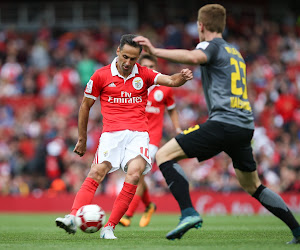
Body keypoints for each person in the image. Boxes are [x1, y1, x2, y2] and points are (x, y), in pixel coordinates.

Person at [133, 4, 300, 244]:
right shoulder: (236, 52)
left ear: (201, 26)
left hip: (223, 123)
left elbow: (194, 57)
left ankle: (188, 213)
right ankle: (297, 229)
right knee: (252, 185)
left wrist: (155, 50)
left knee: (164, 155)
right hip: (244, 126)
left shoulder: (209, 46)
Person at [55, 34, 193, 240]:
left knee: (135, 174)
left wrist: (181, 77)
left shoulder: (144, 74)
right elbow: (85, 106)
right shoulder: (101, 75)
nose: (128, 62)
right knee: (97, 172)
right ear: (118, 51)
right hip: (111, 134)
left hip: (138, 134)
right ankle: (72, 217)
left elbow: (171, 80)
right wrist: (82, 139)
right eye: (125, 57)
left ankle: (109, 227)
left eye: (133, 59)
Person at [119, 54, 182, 227]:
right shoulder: (133, 86)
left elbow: (172, 109)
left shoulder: (165, 88)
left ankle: (128, 215)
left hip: (152, 139)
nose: (147, 69)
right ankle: (149, 206)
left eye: (150, 66)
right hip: (133, 137)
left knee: (136, 173)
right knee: (137, 175)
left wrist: (177, 128)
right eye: (144, 65)